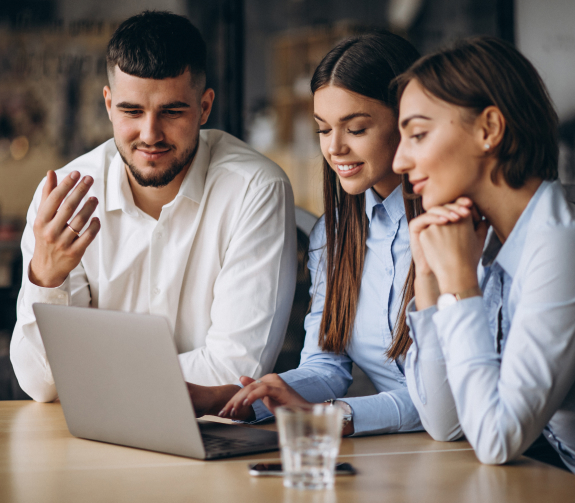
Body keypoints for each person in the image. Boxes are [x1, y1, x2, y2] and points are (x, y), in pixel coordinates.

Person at [10, 11, 297, 403]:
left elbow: (235, 372)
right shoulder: (61, 200)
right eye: (131, 111)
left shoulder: (255, 189)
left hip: (211, 442)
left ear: (205, 107)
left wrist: (85, 375)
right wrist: (46, 277)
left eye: (172, 111)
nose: (150, 135)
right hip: (88, 439)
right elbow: (41, 383)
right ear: (109, 104)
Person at [187, 31, 424, 437]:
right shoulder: (333, 237)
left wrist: (335, 416)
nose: (334, 148)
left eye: (356, 128)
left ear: (408, 122)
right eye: (323, 129)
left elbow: (445, 403)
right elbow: (326, 366)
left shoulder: (455, 229)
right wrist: (236, 400)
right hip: (413, 455)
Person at [392, 36, 575, 472]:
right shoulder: (487, 238)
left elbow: (496, 440)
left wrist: (460, 282)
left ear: (489, 129)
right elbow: (445, 421)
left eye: (417, 134)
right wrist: (431, 283)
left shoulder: (560, 241)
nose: (399, 160)